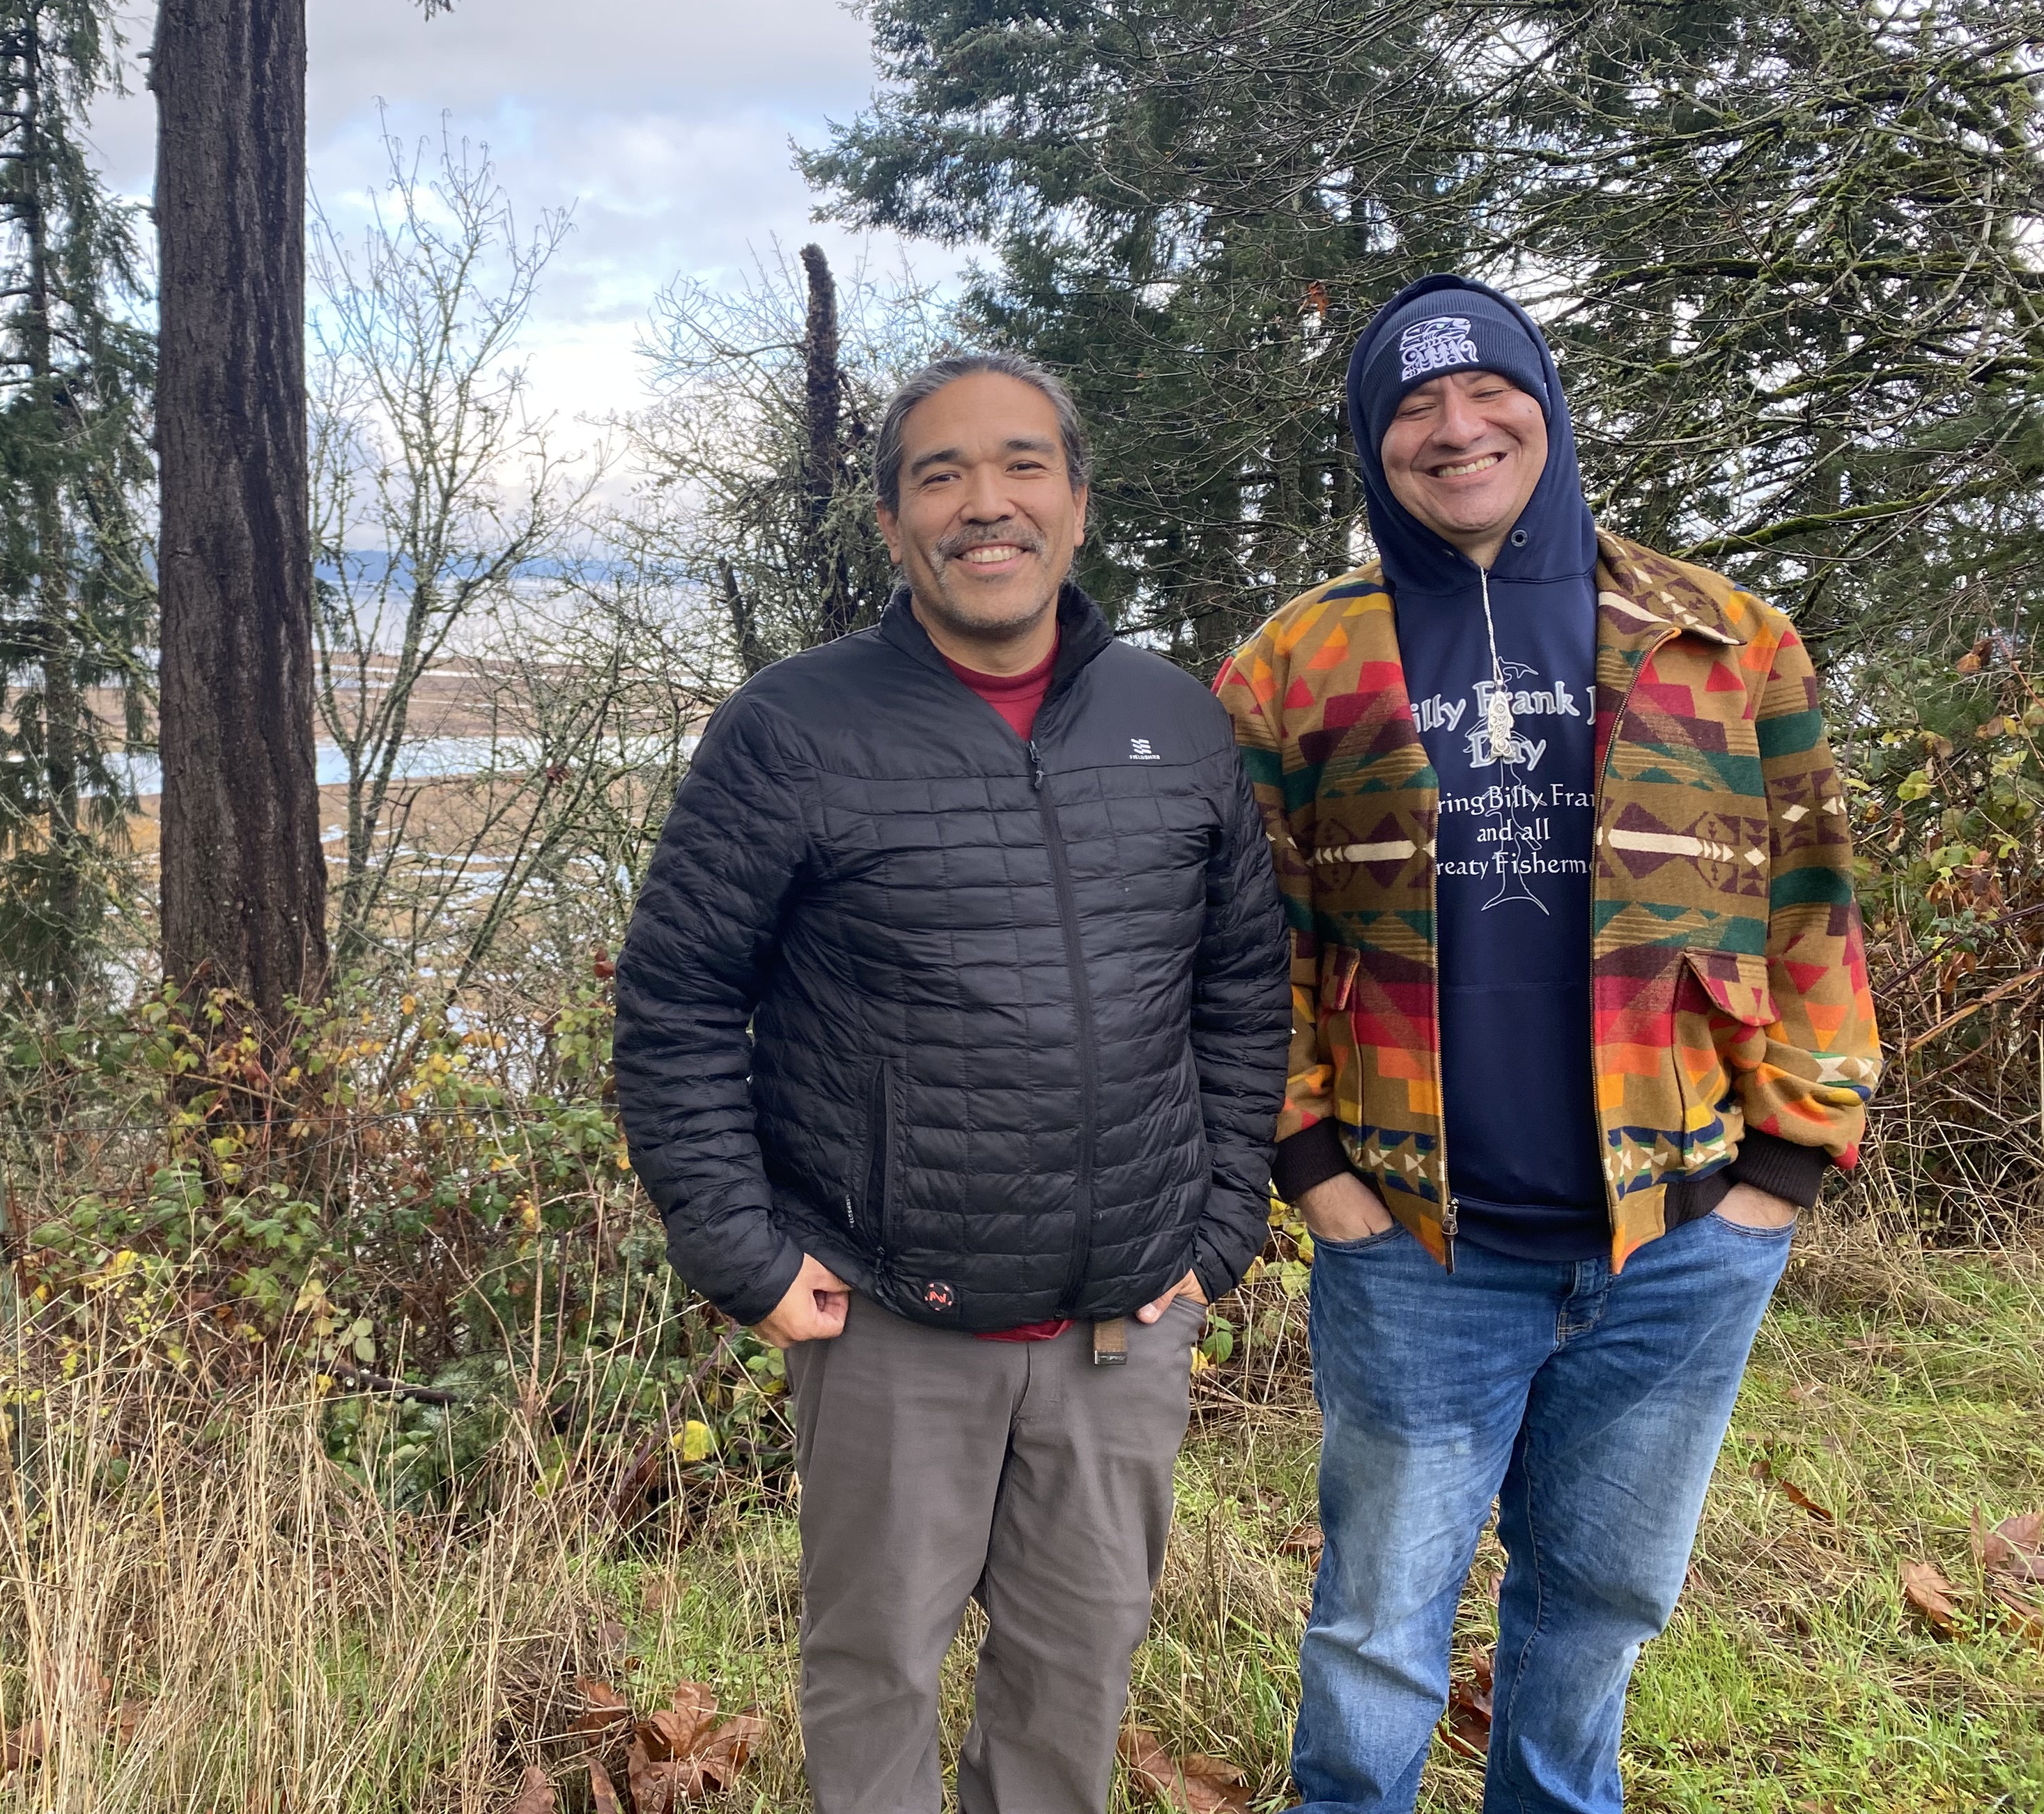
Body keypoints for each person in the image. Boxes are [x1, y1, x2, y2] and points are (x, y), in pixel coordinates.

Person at [1214, 277, 1879, 1814]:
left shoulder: (1727, 639)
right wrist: (1312, 1167)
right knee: (1380, 1628)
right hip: (1419, 1243)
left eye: (1486, 392)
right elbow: (1248, 951)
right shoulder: (1297, 667)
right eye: (1410, 408)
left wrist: (1786, 1164)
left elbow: (1814, 905)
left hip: (1684, 1235)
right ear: (1374, 448)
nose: (1456, 429)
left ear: (1545, 403)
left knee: (1597, 1611)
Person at [614, 350, 1289, 1814]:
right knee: (874, 1667)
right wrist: (742, 1250)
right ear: (894, 522)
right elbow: (673, 1006)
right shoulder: (795, 729)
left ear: (1079, 504)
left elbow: (1240, 990)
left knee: (1080, 1664)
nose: (988, 504)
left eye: (1022, 465)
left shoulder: (1175, 723)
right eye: (942, 474)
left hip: (1124, 1323)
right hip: (884, 1318)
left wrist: (1221, 1222)